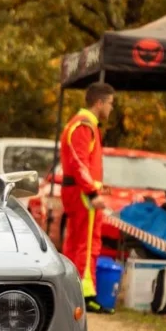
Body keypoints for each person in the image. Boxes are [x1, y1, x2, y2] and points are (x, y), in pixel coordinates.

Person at [60, 82, 115, 313]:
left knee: (76, 243)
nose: (111, 109)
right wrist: (93, 192)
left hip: (80, 191)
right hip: (83, 194)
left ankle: (70, 292)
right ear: (99, 103)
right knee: (88, 244)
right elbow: (79, 163)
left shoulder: (85, 125)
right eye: (110, 104)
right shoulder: (83, 126)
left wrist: (99, 187)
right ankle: (85, 294)